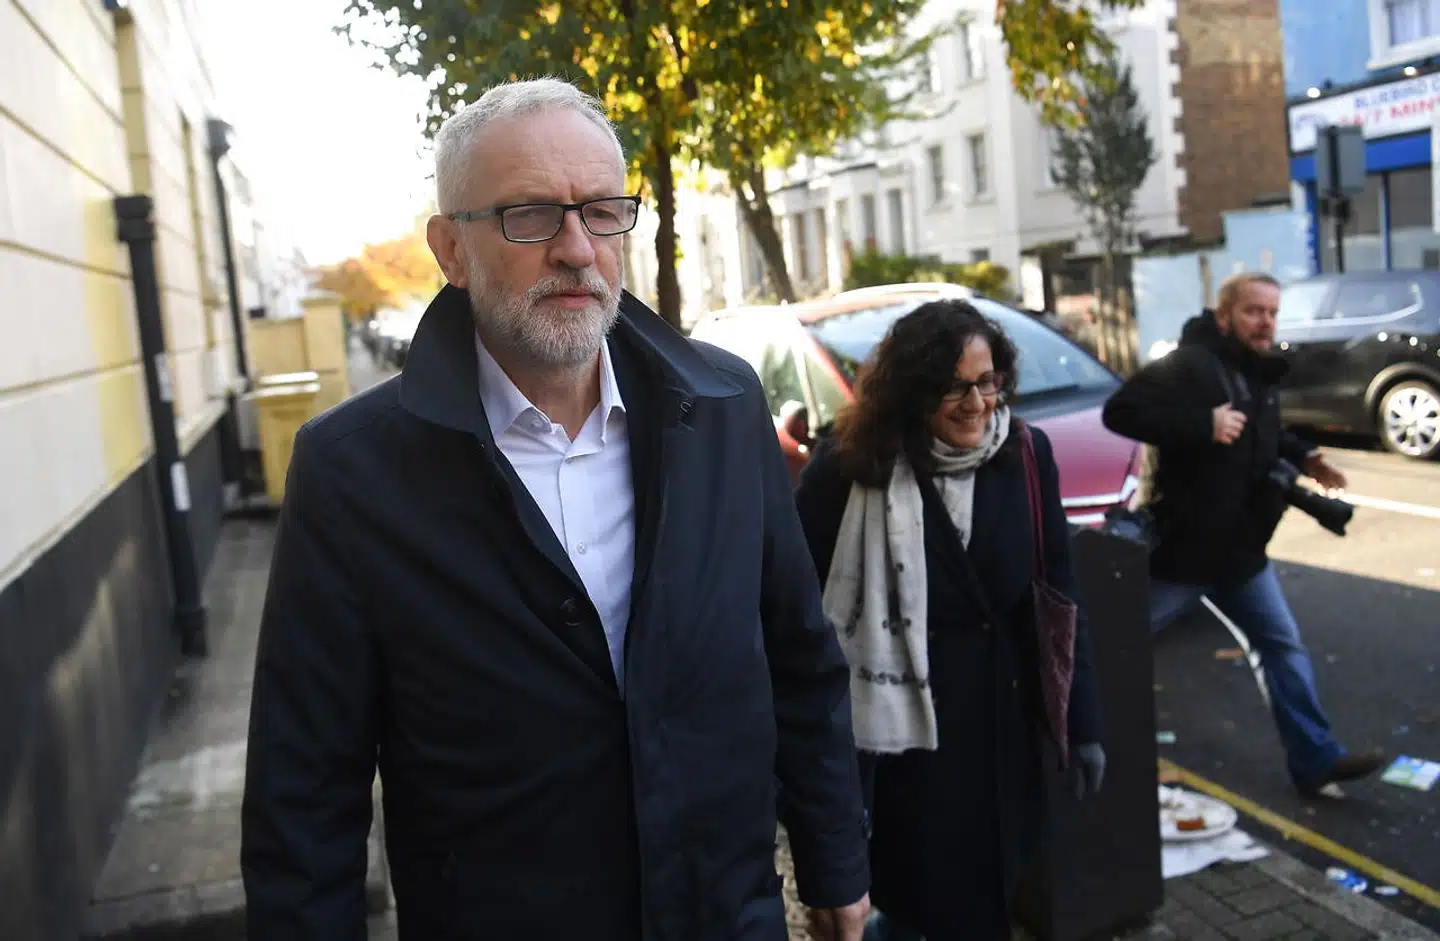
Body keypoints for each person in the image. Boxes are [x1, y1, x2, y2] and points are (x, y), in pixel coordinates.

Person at [241, 78, 871, 941]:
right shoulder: (353, 475)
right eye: (530, 214)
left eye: (604, 211)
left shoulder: (723, 409)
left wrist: (837, 861)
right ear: (450, 250)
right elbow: (305, 790)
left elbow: (800, 656)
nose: (578, 248)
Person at [793, 300, 1104, 941]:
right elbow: (798, 626)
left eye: (986, 380)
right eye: (951, 385)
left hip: (1000, 737)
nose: (975, 402)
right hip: (898, 748)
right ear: (911, 390)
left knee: (986, 894)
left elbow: (1055, 592)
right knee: (920, 904)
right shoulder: (848, 469)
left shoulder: (1024, 453)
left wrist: (1083, 721)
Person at [1102, 272, 1386, 797]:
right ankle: (1069, 751)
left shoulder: (1256, 372)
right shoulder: (1189, 364)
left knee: (1282, 647)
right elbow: (1119, 411)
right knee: (1108, 645)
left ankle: (1316, 761)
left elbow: (1265, 435)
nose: (1266, 322)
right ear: (1225, 314)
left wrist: (1306, 458)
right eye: (1254, 311)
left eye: (1273, 313)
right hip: (1183, 555)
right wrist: (1201, 424)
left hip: (1239, 555)